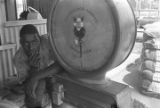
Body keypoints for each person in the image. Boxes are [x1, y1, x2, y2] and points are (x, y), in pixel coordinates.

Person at [13, 24, 62, 108]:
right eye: (26, 43)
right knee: (33, 94)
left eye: (34, 41)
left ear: (40, 38)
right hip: (38, 76)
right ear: (21, 42)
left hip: (53, 74)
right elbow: (28, 83)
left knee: (56, 85)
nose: (31, 47)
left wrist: (35, 77)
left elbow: (61, 65)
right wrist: (34, 68)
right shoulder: (19, 58)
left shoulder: (47, 41)